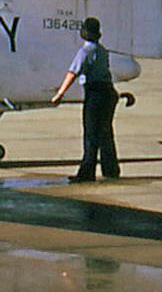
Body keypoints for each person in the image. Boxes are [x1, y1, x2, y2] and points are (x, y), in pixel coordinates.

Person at [51, 16, 121, 183]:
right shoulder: (103, 50)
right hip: (108, 92)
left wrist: (60, 93)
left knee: (91, 134)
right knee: (105, 133)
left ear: (86, 32)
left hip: (95, 94)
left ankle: (87, 172)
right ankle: (111, 170)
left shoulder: (85, 51)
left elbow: (73, 72)